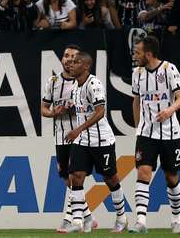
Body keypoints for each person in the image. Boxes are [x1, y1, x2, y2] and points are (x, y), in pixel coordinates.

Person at [64, 51, 127, 233]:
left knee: (110, 178)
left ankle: (121, 218)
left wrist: (78, 129)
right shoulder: (75, 87)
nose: (71, 64)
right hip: (83, 141)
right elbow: (83, 110)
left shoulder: (94, 84)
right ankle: (78, 221)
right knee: (76, 176)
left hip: (102, 141)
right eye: (70, 62)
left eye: (75, 62)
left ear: (85, 66)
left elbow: (100, 112)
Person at [130, 36, 180, 234]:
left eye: (137, 52)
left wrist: (170, 110)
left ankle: (176, 220)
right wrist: (138, 128)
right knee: (143, 172)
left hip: (170, 134)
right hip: (146, 134)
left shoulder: (168, 69)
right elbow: (136, 102)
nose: (134, 56)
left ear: (148, 54)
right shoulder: (136, 73)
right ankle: (140, 221)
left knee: (171, 177)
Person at [41, 45, 97, 233]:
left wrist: (75, 109)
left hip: (79, 135)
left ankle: (71, 219)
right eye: (65, 56)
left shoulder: (83, 82)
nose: (68, 60)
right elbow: (43, 109)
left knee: (75, 176)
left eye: (72, 57)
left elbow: (93, 108)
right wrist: (53, 112)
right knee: (67, 179)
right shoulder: (53, 81)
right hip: (60, 135)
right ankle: (88, 217)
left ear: (79, 61)